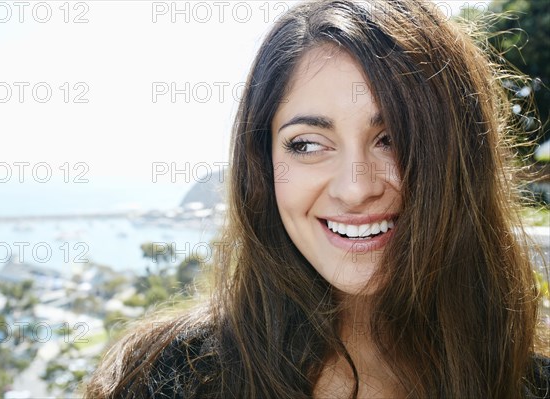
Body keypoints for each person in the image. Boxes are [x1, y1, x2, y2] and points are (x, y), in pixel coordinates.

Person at [85, 0, 550, 398]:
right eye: (307, 144)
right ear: (263, 166)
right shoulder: (170, 378)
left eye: (393, 138)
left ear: (461, 158)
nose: (355, 187)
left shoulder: (529, 382)